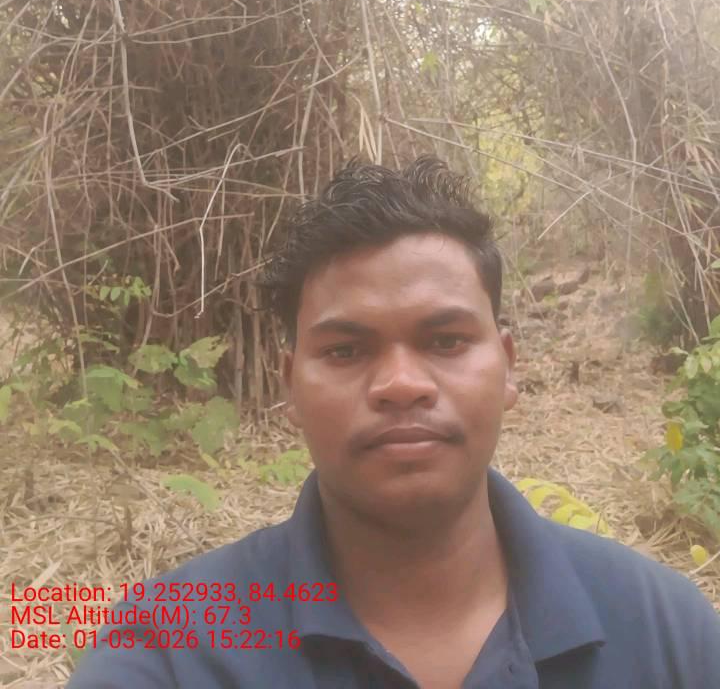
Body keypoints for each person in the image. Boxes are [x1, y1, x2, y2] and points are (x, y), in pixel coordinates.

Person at [68, 156, 719, 688]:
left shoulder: (669, 636)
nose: (402, 383)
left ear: (507, 366)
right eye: (345, 351)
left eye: (446, 341)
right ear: (290, 385)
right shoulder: (169, 649)